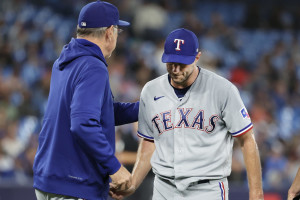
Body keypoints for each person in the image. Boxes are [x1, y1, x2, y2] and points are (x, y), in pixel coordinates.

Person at [110, 28, 264, 200]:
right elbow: (149, 141)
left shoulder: (223, 90)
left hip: (207, 189)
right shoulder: (151, 90)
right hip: (163, 188)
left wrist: (256, 192)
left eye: (181, 64)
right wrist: (133, 182)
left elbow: (247, 139)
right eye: (170, 63)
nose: (175, 69)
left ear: (197, 58)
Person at [33, 1, 139, 200]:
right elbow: (83, 123)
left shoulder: (63, 62)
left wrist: (145, 108)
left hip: (51, 179)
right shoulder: (93, 66)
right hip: (73, 183)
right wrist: (114, 167)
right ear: (109, 32)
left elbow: (98, 112)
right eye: (118, 31)